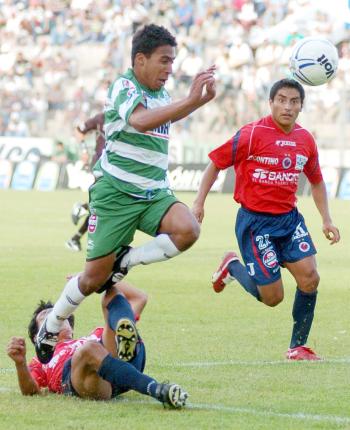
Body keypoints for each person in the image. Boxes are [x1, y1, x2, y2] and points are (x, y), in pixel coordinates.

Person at [36, 23, 216, 363]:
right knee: (91, 279)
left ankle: (126, 260)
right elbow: (141, 122)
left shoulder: (162, 93)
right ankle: (53, 324)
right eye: (164, 60)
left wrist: (198, 102)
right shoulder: (123, 86)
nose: (170, 68)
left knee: (188, 229)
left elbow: (161, 117)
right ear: (140, 59)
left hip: (153, 193)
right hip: (116, 194)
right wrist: (192, 99)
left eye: (172, 61)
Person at [192, 78, 340, 361]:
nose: (287, 106)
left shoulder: (305, 140)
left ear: (301, 106)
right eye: (281, 100)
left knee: (310, 279)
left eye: (294, 101)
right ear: (270, 103)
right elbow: (215, 164)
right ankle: (233, 266)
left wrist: (326, 219)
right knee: (273, 298)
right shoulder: (252, 134)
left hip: (289, 220)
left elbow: (317, 181)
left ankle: (298, 346)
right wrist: (199, 202)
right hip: (255, 223)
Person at [7, 281, 188, 408]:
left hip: (111, 358)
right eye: (46, 316)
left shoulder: (96, 334)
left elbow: (139, 298)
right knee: (89, 350)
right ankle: (156, 388)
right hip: (84, 380)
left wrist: (94, 280)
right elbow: (31, 392)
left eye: (58, 313)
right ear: (37, 337)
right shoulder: (41, 360)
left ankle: (124, 332)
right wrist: (20, 364)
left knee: (110, 297)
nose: (55, 316)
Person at [66, 113, 105, 252]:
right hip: (102, 164)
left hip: (117, 166)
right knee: (104, 204)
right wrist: (83, 150)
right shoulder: (101, 118)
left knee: (101, 206)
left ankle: (75, 238)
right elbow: (79, 130)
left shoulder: (127, 116)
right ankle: (83, 207)